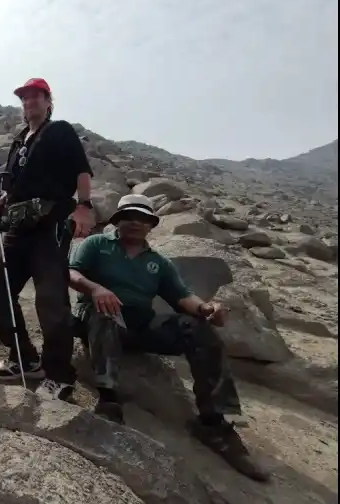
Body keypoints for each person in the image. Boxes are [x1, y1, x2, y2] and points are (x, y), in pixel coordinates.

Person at [68, 194, 269, 482]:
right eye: (129, 216)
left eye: (143, 218)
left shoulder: (158, 262)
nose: (136, 223)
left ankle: (214, 423)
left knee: (198, 328)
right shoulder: (97, 244)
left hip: (140, 324)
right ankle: (109, 400)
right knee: (106, 312)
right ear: (117, 220)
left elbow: (181, 296)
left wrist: (206, 308)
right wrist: (95, 288)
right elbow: (72, 272)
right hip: (98, 317)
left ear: (152, 225)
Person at [0, 77, 95, 402]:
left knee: (51, 303)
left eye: (35, 97)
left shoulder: (60, 130)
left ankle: (60, 375)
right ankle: (24, 358)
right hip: (19, 230)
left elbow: (82, 171)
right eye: (24, 98)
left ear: (48, 101)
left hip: (50, 227)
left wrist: (84, 207)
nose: (29, 102)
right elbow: (15, 186)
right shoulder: (20, 140)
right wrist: (0, 200)